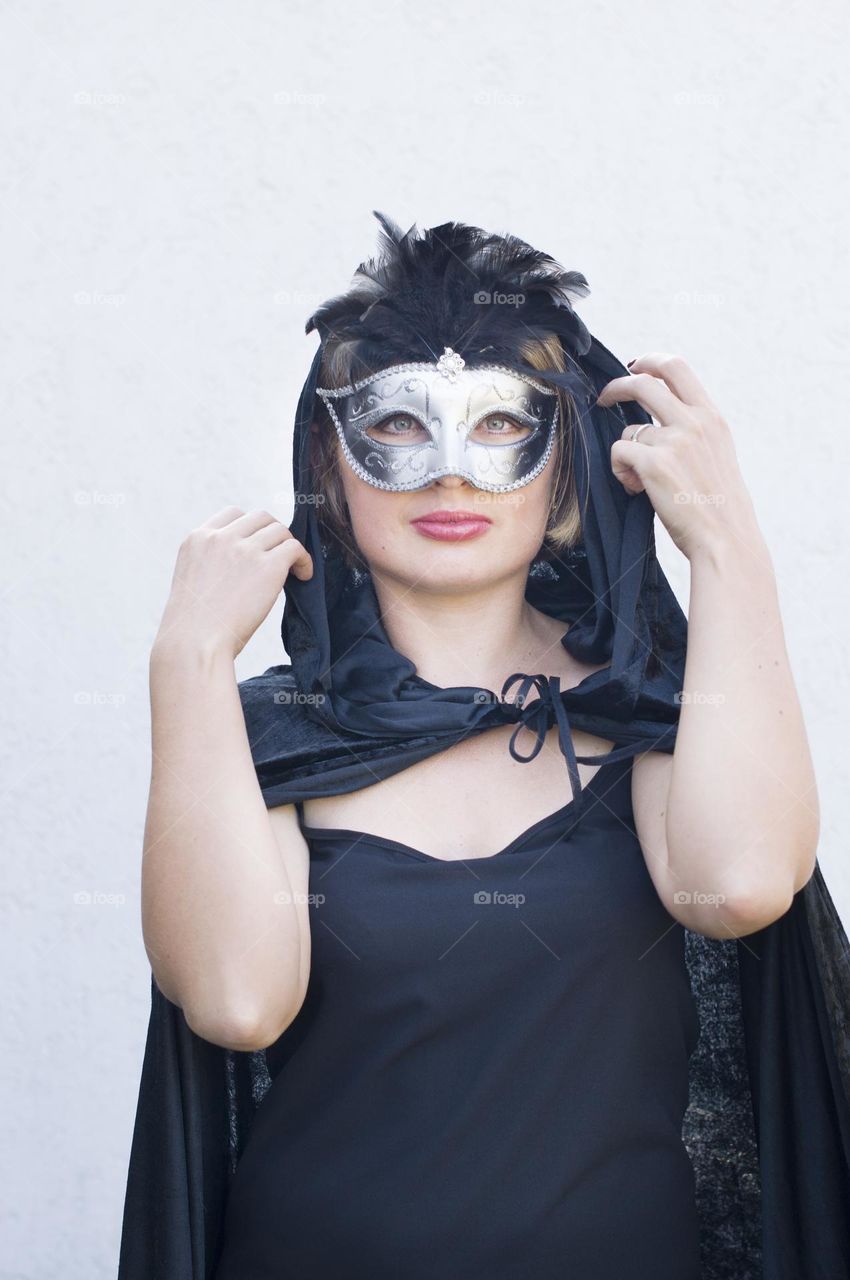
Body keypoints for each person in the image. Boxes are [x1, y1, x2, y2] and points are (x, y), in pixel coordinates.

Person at [118, 213, 850, 1280]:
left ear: (565, 467)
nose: (448, 475)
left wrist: (724, 536)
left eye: (502, 424)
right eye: (399, 427)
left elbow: (739, 883)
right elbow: (235, 998)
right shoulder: (273, 735)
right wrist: (184, 662)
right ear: (329, 459)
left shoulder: (644, 707)